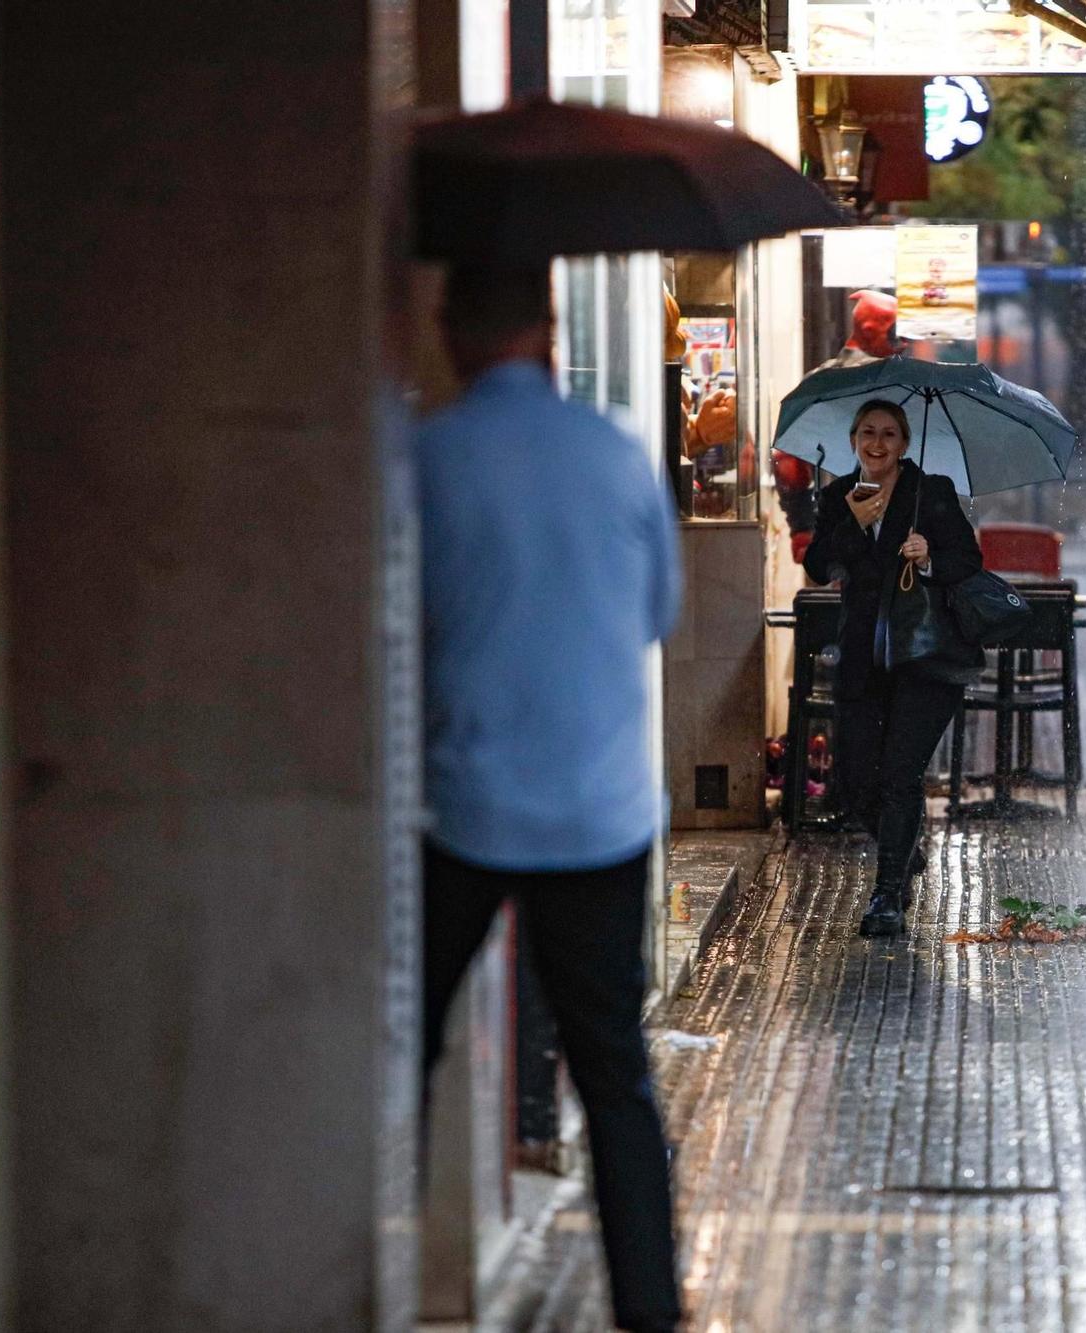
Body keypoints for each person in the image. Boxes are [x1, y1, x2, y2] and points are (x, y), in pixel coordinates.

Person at [416, 265, 683, 1333]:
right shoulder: (616, 453)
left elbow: (400, 627)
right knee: (613, 1073)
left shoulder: (426, 458)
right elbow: (657, 609)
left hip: (464, 807)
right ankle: (650, 1312)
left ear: (448, 333)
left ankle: (360, 1276)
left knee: (400, 1053)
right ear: (549, 327)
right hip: (599, 815)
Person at [803, 400, 982, 937]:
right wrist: (853, 527)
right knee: (856, 781)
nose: (876, 443)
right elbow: (817, 568)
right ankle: (903, 851)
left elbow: (968, 560)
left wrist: (928, 555)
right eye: (866, 433)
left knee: (901, 776)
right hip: (863, 659)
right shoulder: (839, 497)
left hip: (924, 659)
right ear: (853, 439)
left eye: (888, 434)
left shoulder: (933, 493)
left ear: (904, 443)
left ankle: (887, 897)